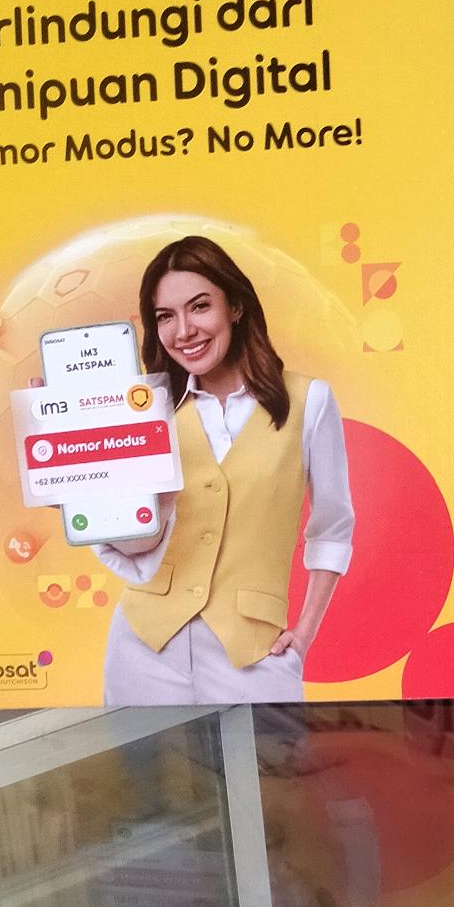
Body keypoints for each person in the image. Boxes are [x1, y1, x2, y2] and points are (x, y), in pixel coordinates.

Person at [95, 234, 354, 706]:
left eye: (199, 307)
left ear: (235, 306)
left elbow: (333, 527)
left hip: (253, 652)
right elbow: (134, 541)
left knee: (270, 757)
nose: (184, 331)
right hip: (143, 647)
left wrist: (304, 634)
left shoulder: (308, 401)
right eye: (165, 316)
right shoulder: (148, 410)